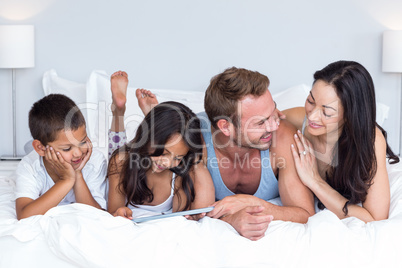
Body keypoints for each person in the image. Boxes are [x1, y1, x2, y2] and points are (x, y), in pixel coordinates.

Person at [132, 68, 316, 240]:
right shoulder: (195, 141)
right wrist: (230, 221)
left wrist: (249, 202)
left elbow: (305, 214)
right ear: (225, 126)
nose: (274, 125)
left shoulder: (282, 137)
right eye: (260, 122)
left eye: (272, 112)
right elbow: (187, 215)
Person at [285, 60, 399, 222]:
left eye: (327, 112)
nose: (312, 116)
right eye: (311, 101)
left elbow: (375, 217)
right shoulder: (297, 120)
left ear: (349, 116)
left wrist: (315, 181)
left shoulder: (371, 141)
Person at [107, 71, 214, 220]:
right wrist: (119, 213)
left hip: (149, 145)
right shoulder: (120, 161)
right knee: (118, 153)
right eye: (164, 153)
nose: (168, 162)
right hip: (131, 157)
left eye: (178, 157)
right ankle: (118, 110)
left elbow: (200, 210)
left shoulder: (178, 172)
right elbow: (113, 212)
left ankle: (152, 116)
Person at [15, 94, 107, 220]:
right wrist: (66, 180)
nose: (78, 153)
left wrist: (77, 174)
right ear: (40, 148)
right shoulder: (29, 166)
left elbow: (97, 215)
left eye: (83, 141)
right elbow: (24, 215)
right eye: (67, 148)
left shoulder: (95, 162)